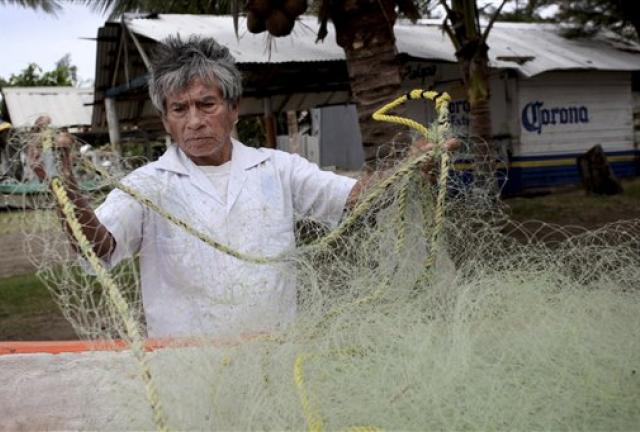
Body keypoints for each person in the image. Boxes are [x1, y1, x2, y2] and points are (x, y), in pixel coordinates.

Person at [32, 36, 450, 339]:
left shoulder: (278, 168)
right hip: (185, 371)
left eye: (206, 104)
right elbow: (99, 248)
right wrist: (63, 186)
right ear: (166, 120)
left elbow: (353, 198)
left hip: (277, 359)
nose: (194, 120)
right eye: (179, 109)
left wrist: (407, 168)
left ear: (233, 109)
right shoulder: (147, 185)